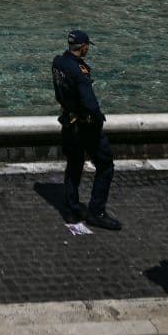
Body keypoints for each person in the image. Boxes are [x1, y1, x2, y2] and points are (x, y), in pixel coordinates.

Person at [51, 30, 122, 230]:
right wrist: (98, 119)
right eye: (87, 45)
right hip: (84, 126)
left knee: (74, 163)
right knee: (105, 165)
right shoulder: (79, 71)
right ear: (83, 47)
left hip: (68, 120)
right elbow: (90, 103)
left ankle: (72, 206)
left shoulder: (58, 62)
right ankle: (96, 212)